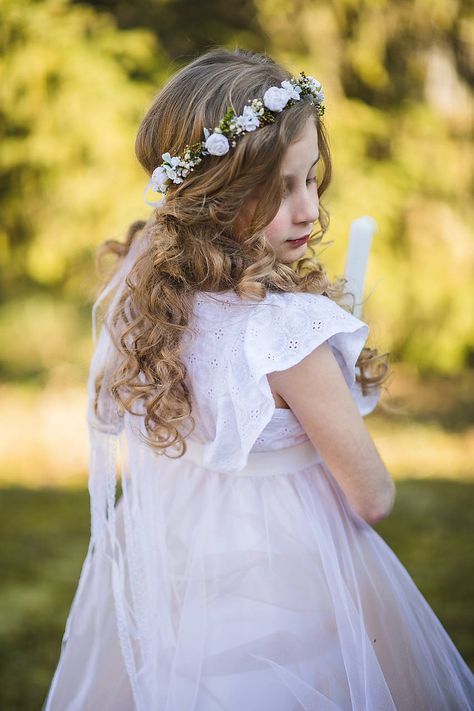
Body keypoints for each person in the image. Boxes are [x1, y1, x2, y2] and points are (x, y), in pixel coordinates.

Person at [43, 47, 474, 710]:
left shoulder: (146, 279)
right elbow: (373, 496)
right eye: (279, 190)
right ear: (215, 197)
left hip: (183, 561)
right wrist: (337, 395)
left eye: (310, 180)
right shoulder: (285, 332)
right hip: (288, 574)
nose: (306, 209)